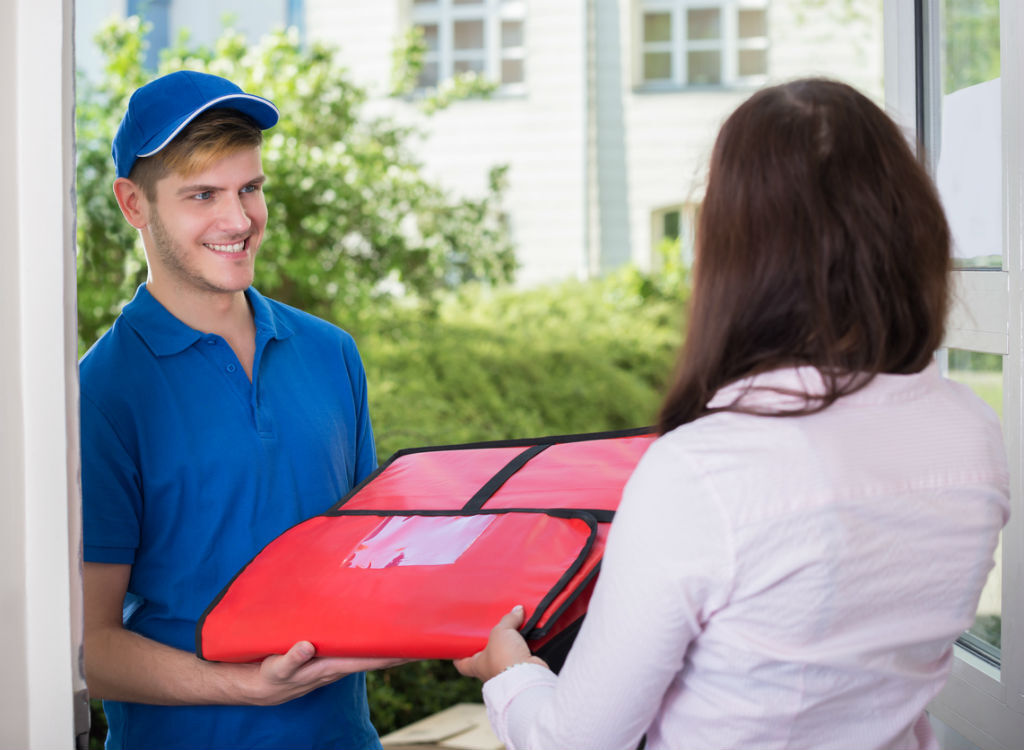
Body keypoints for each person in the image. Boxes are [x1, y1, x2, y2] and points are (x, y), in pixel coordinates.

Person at [454, 78, 1010, 750]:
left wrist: (510, 673)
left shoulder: (704, 474)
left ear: (732, 251)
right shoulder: (971, 431)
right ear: (912, 229)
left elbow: (575, 742)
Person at [80, 70, 398, 750]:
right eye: (203, 195)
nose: (238, 220)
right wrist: (244, 685)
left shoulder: (329, 353)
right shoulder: (102, 392)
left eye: (249, 189)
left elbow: (364, 557)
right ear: (133, 204)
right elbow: (89, 647)